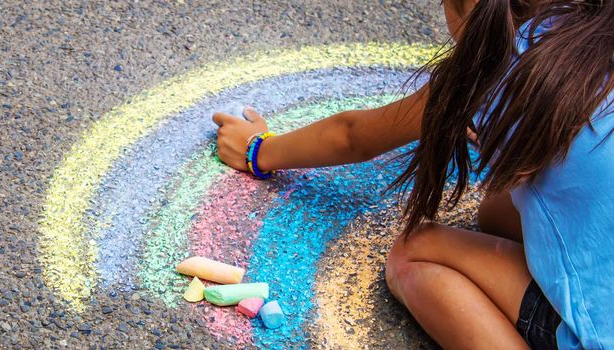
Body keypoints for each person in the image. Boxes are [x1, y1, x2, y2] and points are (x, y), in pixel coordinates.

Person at [212, 0, 613, 348]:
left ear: (471, 8)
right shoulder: (595, 32)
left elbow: (351, 136)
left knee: (413, 253)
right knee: (499, 208)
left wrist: (257, 150)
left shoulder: (499, 69)